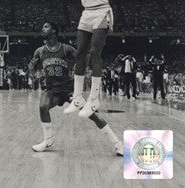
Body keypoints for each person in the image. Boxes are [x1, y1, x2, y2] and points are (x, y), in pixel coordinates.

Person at [41, 0, 112, 118]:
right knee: (80, 53)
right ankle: (78, 97)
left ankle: (94, 98)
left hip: (101, 11)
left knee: (95, 53)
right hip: (87, 12)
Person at [29, 22, 123, 156]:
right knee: (43, 106)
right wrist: (33, 72)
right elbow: (31, 69)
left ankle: (117, 144)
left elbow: (83, 62)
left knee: (92, 115)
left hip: (69, 90)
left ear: (54, 31)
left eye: (45, 26)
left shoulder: (66, 49)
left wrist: (90, 51)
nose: (42, 29)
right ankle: (48, 140)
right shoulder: (39, 51)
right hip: (52, 90)